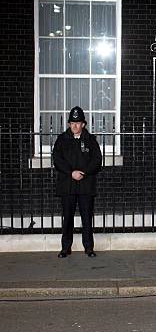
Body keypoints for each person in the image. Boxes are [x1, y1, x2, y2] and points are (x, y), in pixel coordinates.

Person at [52, 106, 102, 258]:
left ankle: (89, 247)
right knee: (67, 218)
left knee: (87, 218)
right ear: (69, 124)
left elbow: (97, 160)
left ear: (83, 124)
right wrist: (71, 172)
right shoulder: (61, 140)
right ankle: (66, 248)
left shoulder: (90, 140)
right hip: (67, 185)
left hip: (86, 185)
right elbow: (57, 160)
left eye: (78, 122)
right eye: (72, 122)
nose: (75, 125)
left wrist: (84, 173)